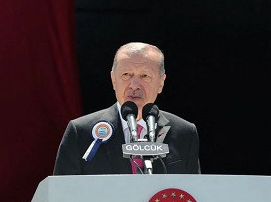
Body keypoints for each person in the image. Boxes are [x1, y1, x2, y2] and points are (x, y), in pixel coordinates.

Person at [53, 42, 200, 175]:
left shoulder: (185, 133)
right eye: (126, 75)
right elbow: (62, 195)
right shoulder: (81, 132)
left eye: (145, 76)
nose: (134, 85)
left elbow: (194, 195)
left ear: (161, 83)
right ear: (113, 80)